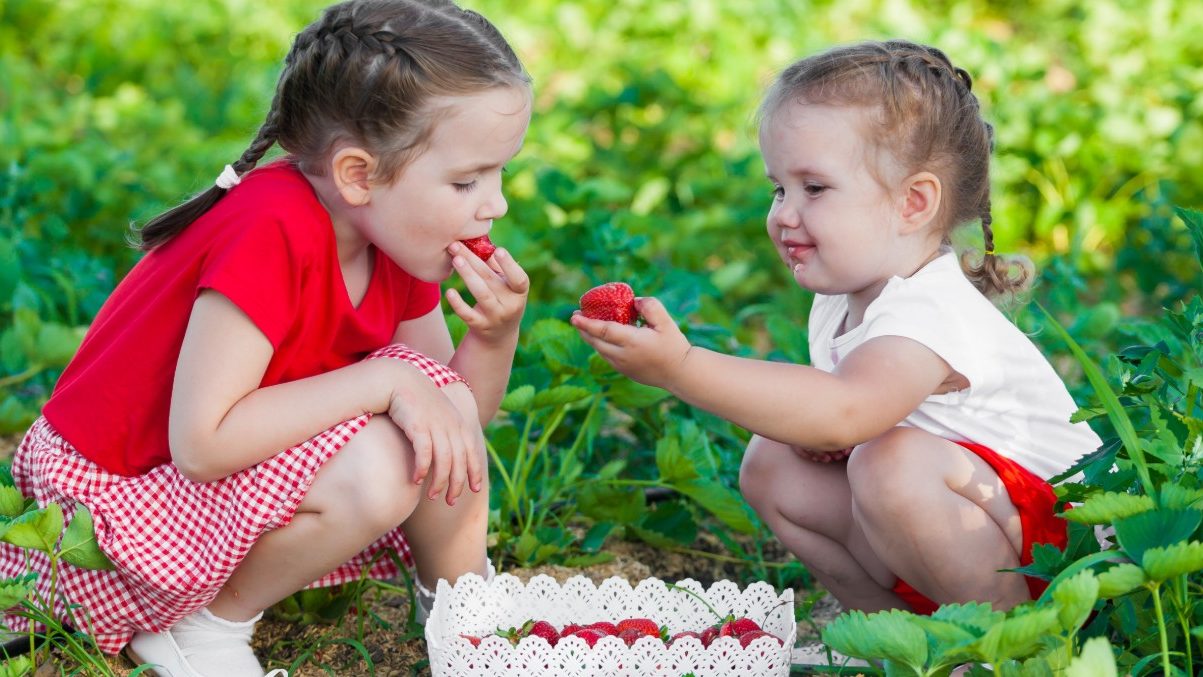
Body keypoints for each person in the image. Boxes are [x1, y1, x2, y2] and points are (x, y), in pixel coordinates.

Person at [0, 0, 531, 674]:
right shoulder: (269, 226)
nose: (496, 204)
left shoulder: (391, 236)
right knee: (385, 456)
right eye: (466, 180)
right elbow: (202, 443)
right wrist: (386, 381)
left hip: (199, 486)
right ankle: (202, 627)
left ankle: (463, 615)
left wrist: (493, 336)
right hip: (106, 514)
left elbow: (450, 425)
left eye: (498, 173)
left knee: (426, 413)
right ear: (358, 175)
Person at [573, 39, 1101, 616]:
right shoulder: (840, 302)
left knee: (891, 463)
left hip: (1069, 551)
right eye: (779, 188)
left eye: (815, 188)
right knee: (774, 461)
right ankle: (892, 631)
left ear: (913, 204)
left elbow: (845, 411)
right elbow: (842, 423)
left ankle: (1019, 641)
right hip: (976, 529)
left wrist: (680, 368)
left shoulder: (934, 309)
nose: (784, 213)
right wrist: (832, 441)